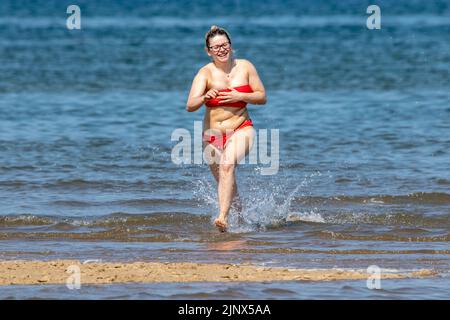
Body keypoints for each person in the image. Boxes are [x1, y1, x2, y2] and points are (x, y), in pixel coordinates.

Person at [186, 25, 267, 232]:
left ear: (230, 45)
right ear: (208, 51)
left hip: (242, 127)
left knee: (227, 164)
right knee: (225, 178)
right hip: (212, 136)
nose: (221, 50)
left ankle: (222, 217)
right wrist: (205, 96)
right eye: (216, 47)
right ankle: (241, 218)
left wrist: (241, 96)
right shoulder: (205, 73)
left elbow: (261, 96)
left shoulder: (246, 67)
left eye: (224, 45)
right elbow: (190, 105)